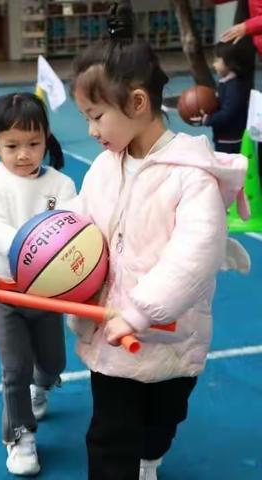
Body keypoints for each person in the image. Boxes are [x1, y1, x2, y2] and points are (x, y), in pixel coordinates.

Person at [67, 9, 248, 480]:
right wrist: (45, 270)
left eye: (96, 116)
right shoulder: (105, 168)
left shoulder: (192, 177)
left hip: (170, 335)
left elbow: (195, 255)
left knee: (162, 418)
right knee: (109, 434)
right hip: (112, 337)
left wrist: (143, 310)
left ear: (139, 102)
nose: (92, 130)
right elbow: (79, 230)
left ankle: (152, 452)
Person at [0, 92, 76, 476]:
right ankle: (19, 435)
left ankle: (42, 386)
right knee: (14, 368)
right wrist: (32, 249)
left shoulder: (61, 184)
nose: (24, 154)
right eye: (12, 145)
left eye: (33, 144)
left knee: (52, 364)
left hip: (47, 295)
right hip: (3, 291)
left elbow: (73, 228)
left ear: (47, 139)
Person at [191, 41, 252, 154]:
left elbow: (228, 112)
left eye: (217, 60)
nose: (213, 64)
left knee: (229, 167)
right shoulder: (226, 83)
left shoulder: (234, 87)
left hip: (231, 139)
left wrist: (209, 119)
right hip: (225, 137)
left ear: (229, 62)